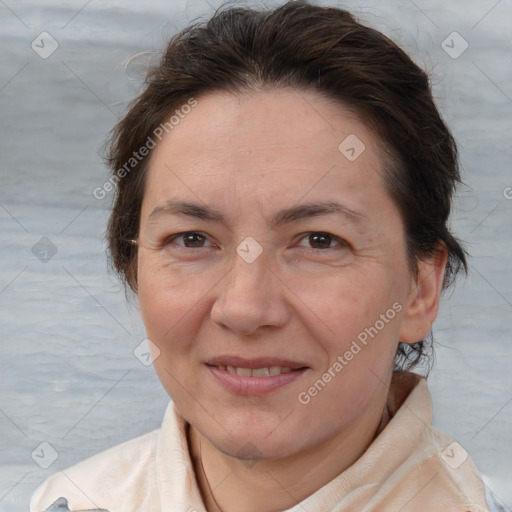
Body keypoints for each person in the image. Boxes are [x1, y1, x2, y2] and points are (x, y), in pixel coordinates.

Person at [30, 1, 491, 511]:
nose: (245, 309)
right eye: (192, 239)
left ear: (420, 288)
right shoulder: (65, 500)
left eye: (319, 240)